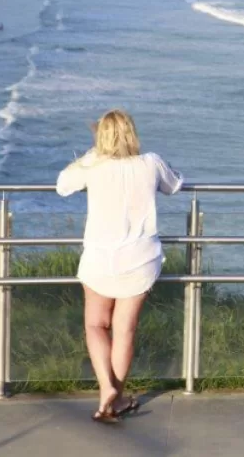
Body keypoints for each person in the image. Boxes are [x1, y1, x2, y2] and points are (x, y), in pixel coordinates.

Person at [56, 109, 183, 423]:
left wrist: (91, 155)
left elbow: (63, 185)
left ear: (101, 137)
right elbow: (175, 184)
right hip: (140, 259)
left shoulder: (94, 167)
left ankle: (106, 391)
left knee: (96, 325)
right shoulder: (150, 163)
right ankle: (116, 398)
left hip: (100, 259)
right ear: (132, 133)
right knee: (124, 330)